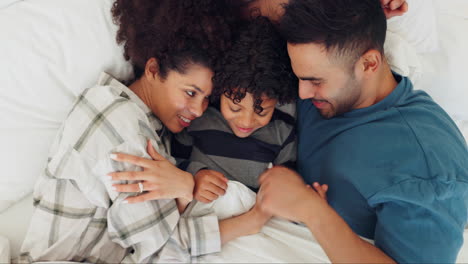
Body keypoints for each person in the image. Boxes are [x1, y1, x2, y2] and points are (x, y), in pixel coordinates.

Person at [19, 0, 244, 263]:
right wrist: (251, 217)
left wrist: (185, 192)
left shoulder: (131, 116)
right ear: (153, 69)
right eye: (190, 92)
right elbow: (165, 253)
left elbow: (157, 236)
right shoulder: (122, 127)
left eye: (207, 98)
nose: (199, 110)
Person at [258, 0, 468, 263]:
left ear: (369, 64)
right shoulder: (325, 66)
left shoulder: (426, 169)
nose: (302, 93)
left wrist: (311, 210)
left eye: (316, 81)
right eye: (299, 77)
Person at [171, 17, 300, 202]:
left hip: (248, 212)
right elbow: (173, 160)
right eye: (234, 107)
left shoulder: (282, 130)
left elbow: (288, 181)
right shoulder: (200, 116)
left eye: (262, 111)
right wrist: (195, 175)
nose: (246, 122)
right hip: (199, 206)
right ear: (220, 90)